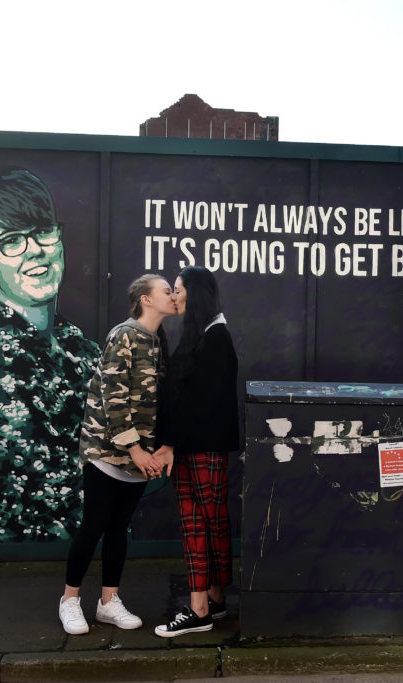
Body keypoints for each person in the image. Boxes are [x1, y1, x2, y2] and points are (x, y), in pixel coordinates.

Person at [0, 166, 100, 542]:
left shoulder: (82, 347)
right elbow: (55, 490)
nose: (36, 250)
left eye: (43, 231)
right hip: (9, 567)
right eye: (11, 241)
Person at [58, 273, 176, 635]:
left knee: (118, 529)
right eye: (166, 291)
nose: (173, 297)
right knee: (93, 524)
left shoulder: (159, 340)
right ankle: (69, 600)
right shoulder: (124, 334)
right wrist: (135, 449)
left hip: (139, 457)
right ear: (146, 299)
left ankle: (109, 602)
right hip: (106, 451)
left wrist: (159, 447)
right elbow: (114, 396)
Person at [152, 266, 240, 638]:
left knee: (197, 525)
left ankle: (199, 609)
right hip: (200, 447)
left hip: (198, 447)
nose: (173, 295)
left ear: (195, 293)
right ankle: (214, 599)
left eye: (177, 289)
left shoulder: (214, 337)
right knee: (210, 521)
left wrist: (168, 443)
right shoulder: (208, 333)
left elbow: (197, 403)